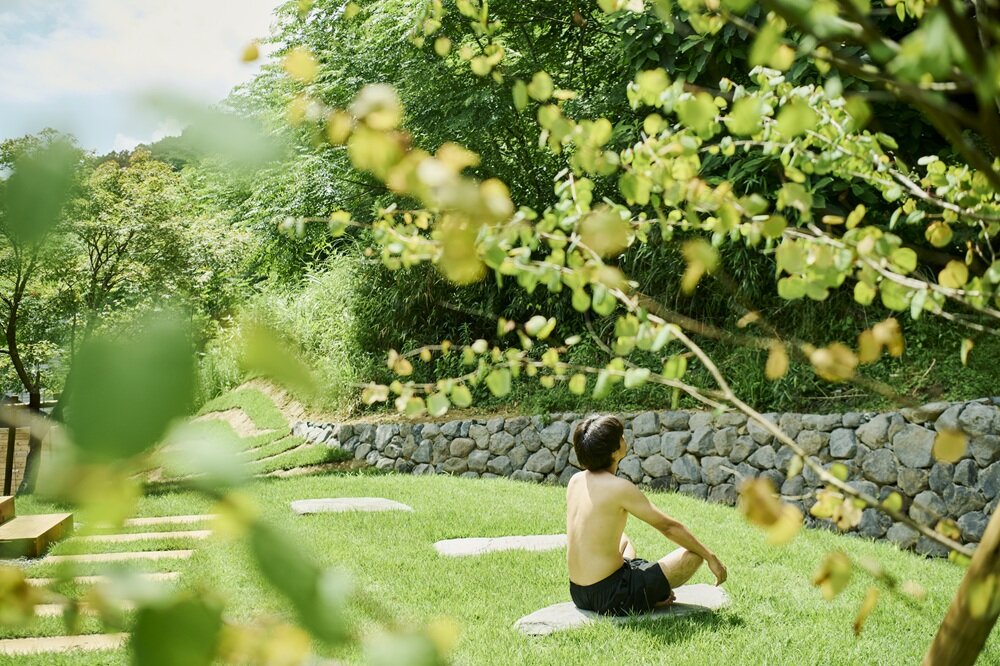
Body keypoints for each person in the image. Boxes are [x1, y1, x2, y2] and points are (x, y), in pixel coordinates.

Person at [566, 414, 727, 616]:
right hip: (611, 595)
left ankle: (642, 591)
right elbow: (669, 527)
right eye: (621, 436)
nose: (624, 438)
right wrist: (710, 556)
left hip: (579, 592)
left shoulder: (576, 480)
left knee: (625, 542)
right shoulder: (619, 488)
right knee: (694, 555)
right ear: (615, 452)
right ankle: (645, 599)